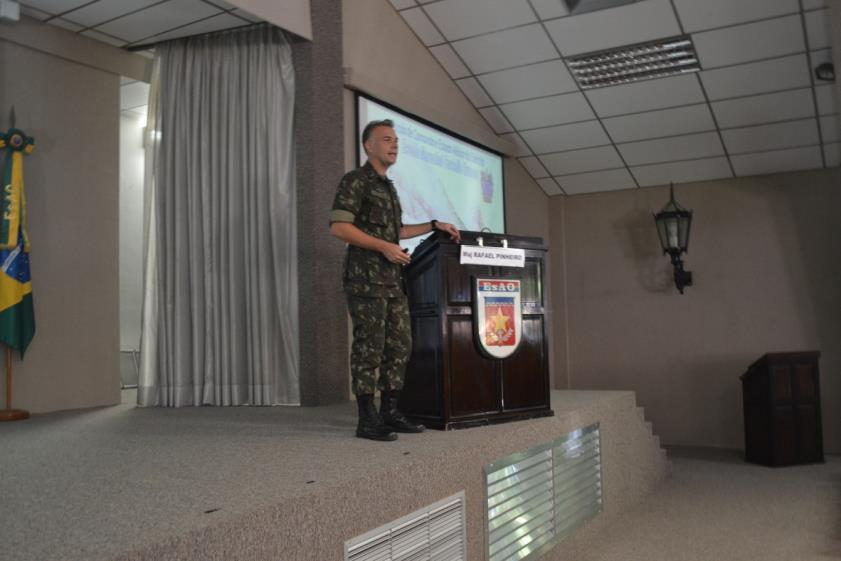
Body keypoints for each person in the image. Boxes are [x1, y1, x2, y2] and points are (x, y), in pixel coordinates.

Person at [329, 119, 460, 441]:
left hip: (393, 281)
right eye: (387, 140)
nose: (394, 145)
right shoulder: (355, 181)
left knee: (399, 348)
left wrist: (432, 225)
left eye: (397, 141)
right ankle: (367, 419)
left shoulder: (388, 187)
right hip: (365, 281)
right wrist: (384, 247)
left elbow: (395, 233)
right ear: (368, 145)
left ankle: (390, 412)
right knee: (368, 349)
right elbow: (339, 227)